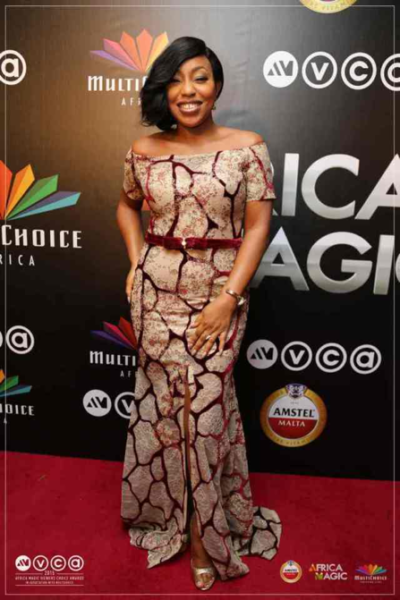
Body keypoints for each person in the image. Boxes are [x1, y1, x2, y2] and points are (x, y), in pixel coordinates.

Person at [116, 36, 282, 591]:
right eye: (176, 80)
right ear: (164, 91)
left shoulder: (248, 148)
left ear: (216, 86)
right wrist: (137, 262)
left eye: (200, 77)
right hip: (156, 296)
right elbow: (126, 207)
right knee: (168, 412)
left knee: (205, 416)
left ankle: (204, 534)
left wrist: (228, 299)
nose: (188, 91)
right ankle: (170, 514)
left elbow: (257, 227)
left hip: (218, 293)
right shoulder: (144, 149)